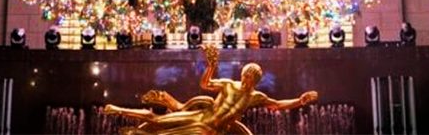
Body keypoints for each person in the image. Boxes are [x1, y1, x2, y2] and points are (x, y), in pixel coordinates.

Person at [105, 45, 318, 135]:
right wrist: (211, 67)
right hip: (200, 117)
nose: (245, 79)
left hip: (211, 131)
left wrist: (300, 100)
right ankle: (118, 110)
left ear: (255, 80)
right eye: (244, 75)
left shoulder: (255, 97)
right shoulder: (228, 84)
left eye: (249, 77)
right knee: (156, 120)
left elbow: (277, 105)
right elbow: (205, 85)